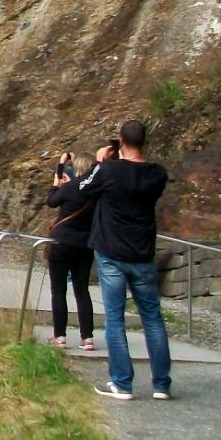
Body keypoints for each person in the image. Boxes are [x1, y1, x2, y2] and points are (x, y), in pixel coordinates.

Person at [83, 119, 172, 401]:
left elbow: (84, 188)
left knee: (114, 318)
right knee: (153, 320)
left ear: (120, 140)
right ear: (144, 142)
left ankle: (121, 383)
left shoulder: (108, 171)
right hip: (143, 253)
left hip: (111, 253)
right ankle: (161, 384)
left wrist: (100, 162)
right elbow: (135, 177)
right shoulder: (157, 174)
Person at [44, 153, 99, 351]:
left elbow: (51, 201)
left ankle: (60, 336)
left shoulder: (69, 188)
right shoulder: (96, 193)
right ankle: (87, 337)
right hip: (84, 245)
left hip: (61, 242)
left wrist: (57, 182)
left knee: (58, 290)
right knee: (82, 290)